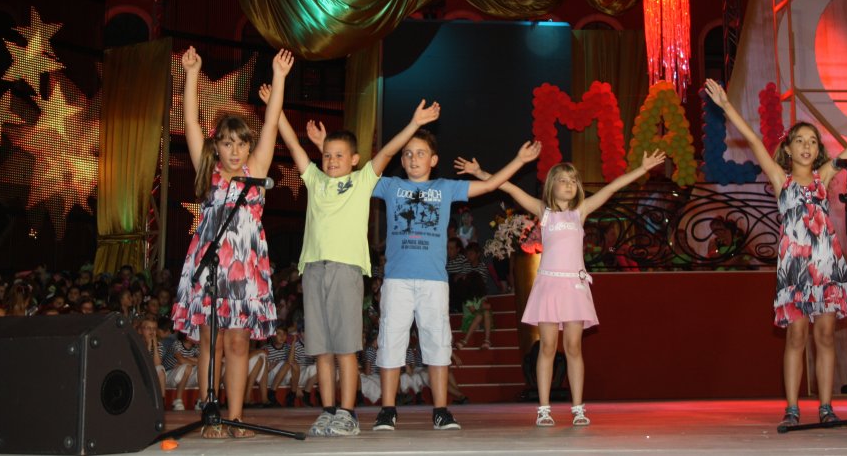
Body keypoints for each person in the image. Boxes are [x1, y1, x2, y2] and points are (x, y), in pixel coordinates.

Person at [703, 78, 847, 429]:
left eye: (812, 141)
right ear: (788, 149)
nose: (806, 146)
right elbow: (754, 141)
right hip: (795, 269)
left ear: (818, 150)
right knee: (797, 336)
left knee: (825, 336)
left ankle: (826, 406)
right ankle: (791, 407)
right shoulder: (781, 180)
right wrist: (726, 105)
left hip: (827, 265)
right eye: (800, 140)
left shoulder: (825, 176)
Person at [259, 83, 441, 437]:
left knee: (345, 347)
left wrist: (414, 123)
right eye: (327, 155)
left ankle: (348, 412)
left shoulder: (361, 181)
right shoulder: (315, 180)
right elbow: (293, 145)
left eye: (339, 156)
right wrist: (275, 108)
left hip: (345, 271)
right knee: (321, 349)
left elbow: (388, 151)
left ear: (354, 159)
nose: (331, 161)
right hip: (314, 269)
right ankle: (328, 411)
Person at [456, 148, 666, 427]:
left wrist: (642, 169)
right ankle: (544, 409)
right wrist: (480, 172)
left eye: (573, 180)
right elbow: (508, 187)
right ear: (551, 186)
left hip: (574, 286)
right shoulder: (543, 211)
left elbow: (612, 188)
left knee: (573, 347)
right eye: (563, 180)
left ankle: (578, 407)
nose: (569, 184)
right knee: (547, 347)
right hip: (549, 284)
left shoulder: (581, 211)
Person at [369, 129, 541, 431]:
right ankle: (387, 410)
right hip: (396, 281)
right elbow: (373, 167)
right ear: (402, 160)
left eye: (420, 153)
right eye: (407, 154)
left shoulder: (445, 188)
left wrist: (519, 160)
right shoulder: (391, 186)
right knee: (390, 343)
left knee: (437, 344)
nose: (413, 159)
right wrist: (409, 129)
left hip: (434, 282)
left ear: (434, 160)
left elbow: (490, 186)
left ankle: (441, 410)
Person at [170, 45, 293, 438]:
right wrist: (192, 74)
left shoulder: (257, 171)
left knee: (239, 342)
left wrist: (278, 77)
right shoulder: (208, 173)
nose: (235, 150)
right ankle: (212, 415)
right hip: (210, 266)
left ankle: (236, 417)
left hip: (245, 268)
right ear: (217, 147)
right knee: (211, 340)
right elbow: (190, 122)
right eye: (227, 143)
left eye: (241, 143)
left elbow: (271, 122)